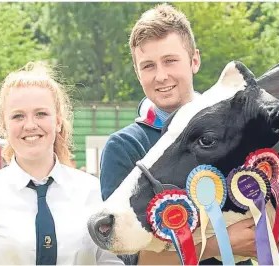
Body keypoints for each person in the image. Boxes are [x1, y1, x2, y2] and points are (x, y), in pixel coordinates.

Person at [99, 4, 257, 265]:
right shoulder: (124, 147)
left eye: (170, 61)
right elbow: (135, 259)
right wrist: (221, 243)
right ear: (137, 73)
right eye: (148, 66)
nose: (161, 76)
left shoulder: (234, 133)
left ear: (194, 60)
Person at [0, 62, 124, 265]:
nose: (30, 125)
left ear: (58, 121)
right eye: (18, 116)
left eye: (41, 114)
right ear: (4, 125)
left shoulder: (94, 193)